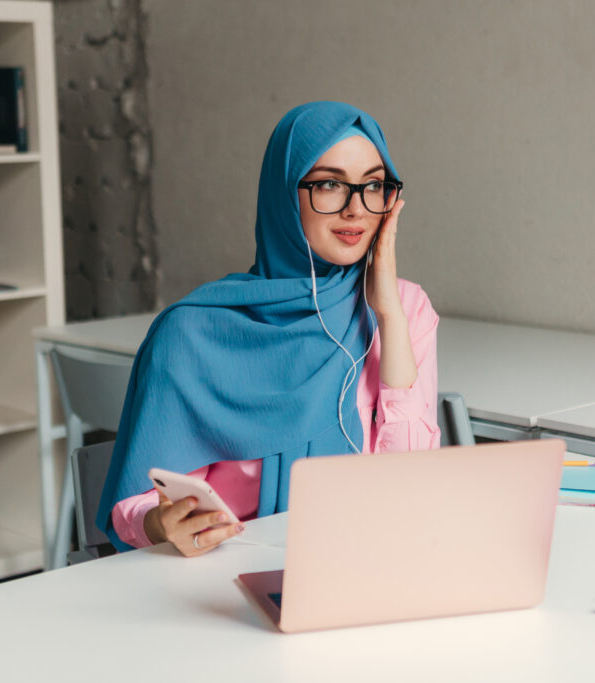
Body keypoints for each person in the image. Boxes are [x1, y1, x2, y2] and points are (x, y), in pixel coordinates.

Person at [96, 101, 440, 557]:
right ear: (284, 194)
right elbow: (140, 507)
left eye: (374, 186)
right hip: (229, 575)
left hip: (371, 562)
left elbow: (414, 486)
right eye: (331, 184)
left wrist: (389, 317)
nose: (357, 209)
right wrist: (160, 524)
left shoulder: (405, 309)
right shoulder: (192, 334)